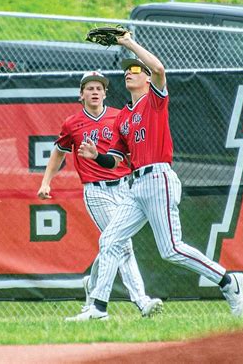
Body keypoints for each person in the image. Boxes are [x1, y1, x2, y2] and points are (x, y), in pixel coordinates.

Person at [75, 33, 243, 320]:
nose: (130, 73)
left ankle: (229, 281)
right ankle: (98, 308)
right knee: (110, 241)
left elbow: (159, 69)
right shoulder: (123, 118)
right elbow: (115, 159)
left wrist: (128, 43)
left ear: (146, 78)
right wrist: (96, 156)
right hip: (135, 185)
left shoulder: (154, 101)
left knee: (171, 250)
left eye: (135, 70)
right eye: (127, 70)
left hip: (158, 179)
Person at [37, 71, 163, 321]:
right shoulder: (72, 123)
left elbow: (133, 146)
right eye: (89, 88)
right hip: (97, 192)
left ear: (106, 93)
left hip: (126, 188)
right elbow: (58, 153)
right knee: (122, 244)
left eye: (99, 88)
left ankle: (92, 285)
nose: (95, 92)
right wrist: (45, 182)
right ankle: (142, 301)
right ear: (81, 94)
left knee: (111, 243)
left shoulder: (118, 117)